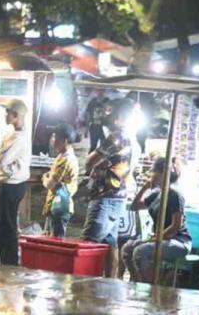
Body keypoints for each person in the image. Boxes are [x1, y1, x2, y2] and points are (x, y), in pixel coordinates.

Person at [82, 98, 134, 278]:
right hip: (117, 197)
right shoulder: (128, 137)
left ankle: (84, 286)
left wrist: (94, 163)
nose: (106, 114)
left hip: (106, 197)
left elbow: (88, 162)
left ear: (118, 117)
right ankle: (110, 285)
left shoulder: (116, 137)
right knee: (110, 243)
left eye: (109, 111)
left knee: (89, 243)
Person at [121, 157, 191, 283]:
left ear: (162, 173)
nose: (151, 174)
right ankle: (137, 281)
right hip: (161, 238)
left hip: (179, 241)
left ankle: (151, 288)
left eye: (154, 171)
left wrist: (156, 238)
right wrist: (145, 187)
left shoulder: (174, 194)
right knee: (127, 248)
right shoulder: (157, 194)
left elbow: (176, 226)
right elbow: (134, 206)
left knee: (140, 251)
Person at [0, 98, 31, 265]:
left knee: (7, 226)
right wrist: (1, 154)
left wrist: (1, 154)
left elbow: (0, 161)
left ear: (15, 115)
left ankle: (9, 263)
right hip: (7, 183)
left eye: (7, 112)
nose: (5, 115)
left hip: (12, 185)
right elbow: (0, 156)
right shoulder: (11, 134)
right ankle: (6, 261)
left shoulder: (18, 138)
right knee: (2, 226)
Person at [42, 123, 79, 237]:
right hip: (57, 206)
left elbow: (50, 184)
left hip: (59, 207)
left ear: (65, 140)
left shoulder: (65, 160)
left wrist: (44, 178)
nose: (53, 140)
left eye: (56, 137)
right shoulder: (63, 156)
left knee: (55, 242)